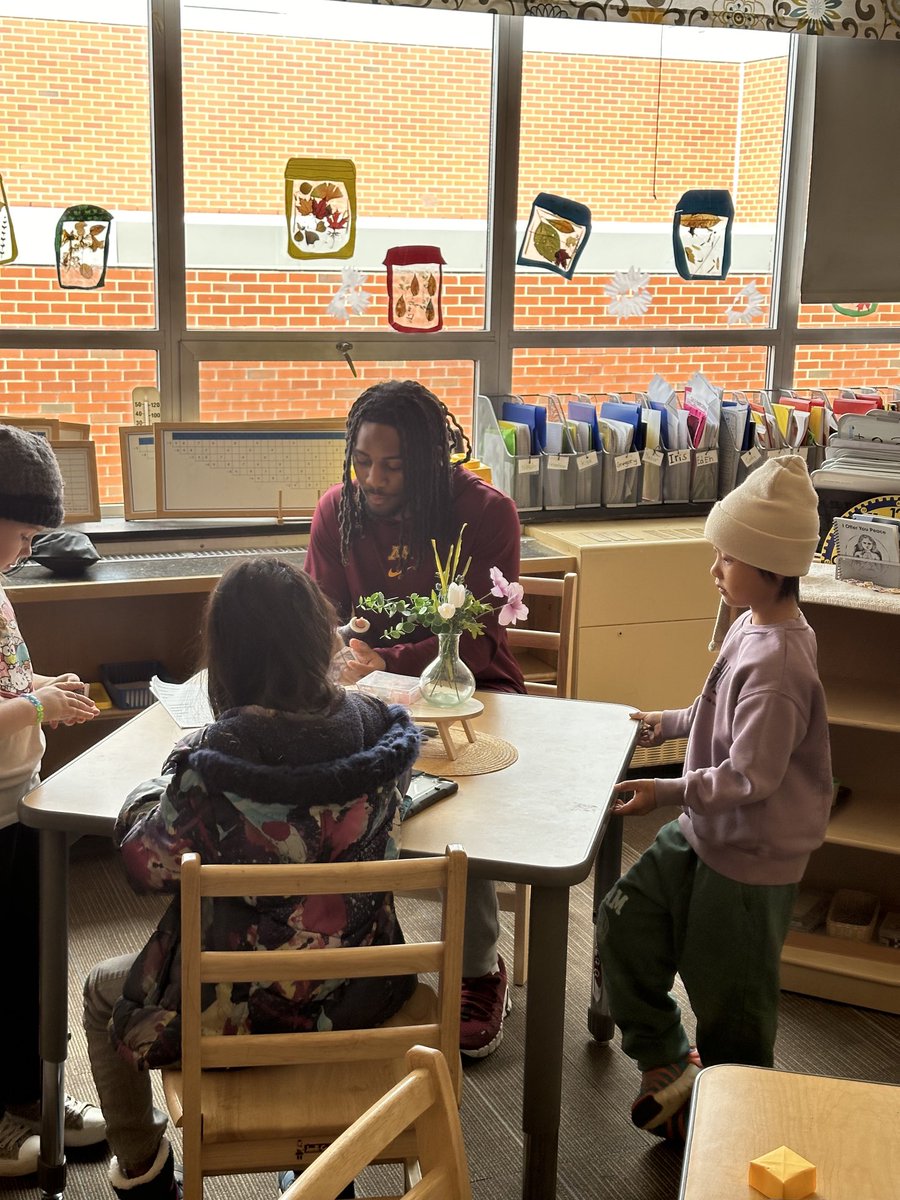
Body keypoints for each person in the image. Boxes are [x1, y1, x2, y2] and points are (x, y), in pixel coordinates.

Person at [82, 559, 420, 1200]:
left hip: (238, 1013)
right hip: (361, 995)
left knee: (101, 995)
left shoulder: (209, 767)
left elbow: (145, 867)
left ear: (228, 659)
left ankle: (142, 1175)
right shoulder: (384, 736)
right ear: (322, 639)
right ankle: (321, 1171)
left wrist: (150, 793)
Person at [597, 455, 832, 1141]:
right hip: (704, 830)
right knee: (623, 923)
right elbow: (714, 711)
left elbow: (750, 777)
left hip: (748, 861)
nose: (715, 570)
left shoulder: (782, 663)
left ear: (767, 563)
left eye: (726, 558)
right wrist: (664, 724)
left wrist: (666, 791)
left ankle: (737, 1119)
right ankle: (670, 1061)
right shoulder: (750, 623)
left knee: (733, 1003)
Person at [305, 379, 526, 1059]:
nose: (372, 479)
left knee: (466, 805)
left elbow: (483, 635)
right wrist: (342, 655)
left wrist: (389, 657)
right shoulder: (336, 511)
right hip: (367, 697)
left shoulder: (485, 512)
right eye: (362, 462)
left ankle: (477, 968)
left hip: (472, 694)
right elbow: (319, 619)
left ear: (431, 458)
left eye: (393, 465)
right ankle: (351, 960)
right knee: (325, 795)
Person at [0, 424, 105, 1176]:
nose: (28, 550)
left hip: (23, 802)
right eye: (23, 533)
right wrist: (37, 711)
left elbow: (7, 687)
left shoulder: (0, 593)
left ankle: (33, 1096)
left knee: (29, 963)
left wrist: (43, 687)